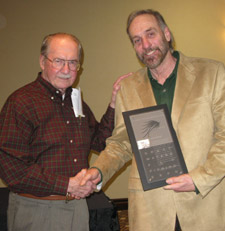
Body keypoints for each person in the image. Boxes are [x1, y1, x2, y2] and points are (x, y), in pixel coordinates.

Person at [81, 9, 225, 231]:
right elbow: (121, 143)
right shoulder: (127, 89)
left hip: (205, 205)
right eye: (137, 40)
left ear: (167, 34)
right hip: (151, 210)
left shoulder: (212, 73)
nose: (145, 45)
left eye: (151, 34)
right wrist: (98, 171)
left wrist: (198, 179)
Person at [0, 32, 128, 231]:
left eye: (73, 63)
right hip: (37, 211)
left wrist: (113, 103)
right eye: (59, 61)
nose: (66, 70)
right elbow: (11, 168)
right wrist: (67, 185)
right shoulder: (21, 102)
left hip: (77, 208)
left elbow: (100, 142)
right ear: (43, 61)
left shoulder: (77, 103)